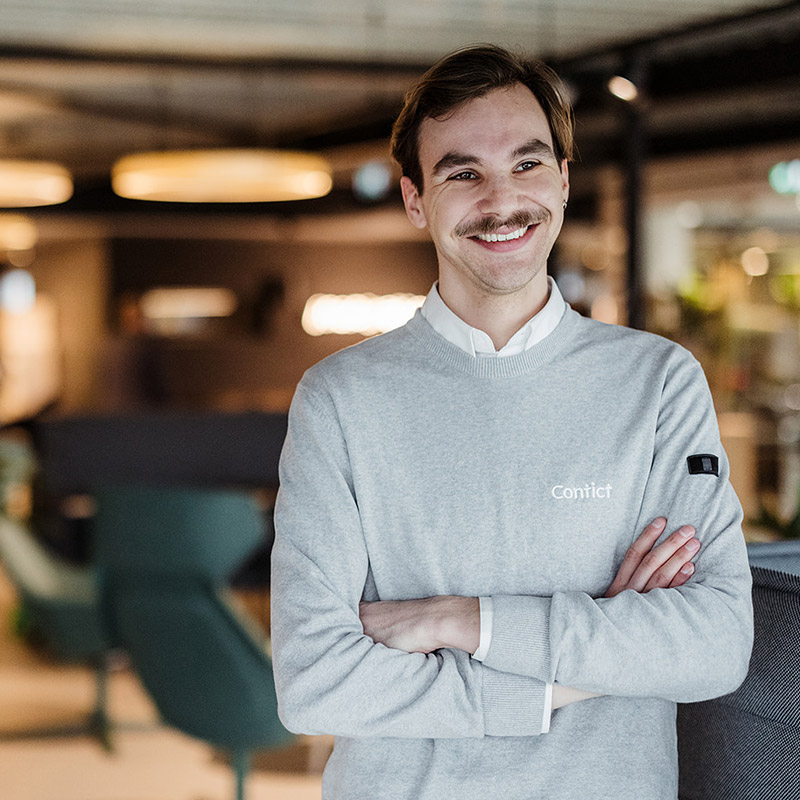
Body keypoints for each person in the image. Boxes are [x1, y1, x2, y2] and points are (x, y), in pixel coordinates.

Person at [270, 44, 753, 799]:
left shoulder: (659, 383)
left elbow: (715, 647)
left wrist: (463, 620)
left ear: (563, 180)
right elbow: (315, 683)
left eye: (527, 164)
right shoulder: (339, 399)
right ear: (415, 201)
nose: (502, 200)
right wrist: (582, 667)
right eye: (462, 174)